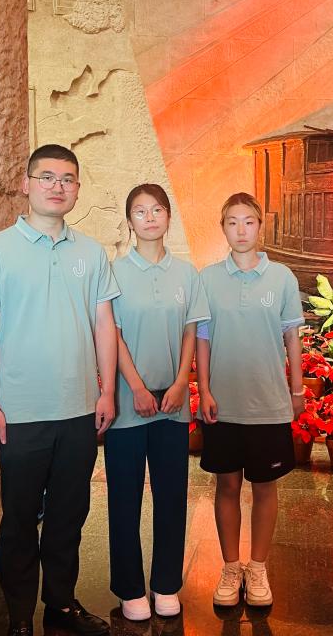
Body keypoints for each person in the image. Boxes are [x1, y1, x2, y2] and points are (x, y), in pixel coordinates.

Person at [0, 144, 118, 636]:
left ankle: (61, 605)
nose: (57, 186)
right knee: (18, 518)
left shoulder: (91, 253)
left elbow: (104, 325)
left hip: (78, 409)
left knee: (70, 515)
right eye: (47, 177)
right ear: (26, 184)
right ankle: (18, 616)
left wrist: (106, 392)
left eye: (67, 179)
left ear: (77, 189)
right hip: (20, 411)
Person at [105, 184, 209, 621]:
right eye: (140, 211)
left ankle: (166, 584)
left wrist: (183, 382)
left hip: (173, 403)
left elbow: (190, 331)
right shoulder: (113, 272)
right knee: (123, 499)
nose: (149, 218)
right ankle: (130, 589)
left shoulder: (186, 274)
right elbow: (111, 334)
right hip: (128, 404)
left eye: (157, 210)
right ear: (129, 221)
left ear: (169, 217)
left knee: (172, 496)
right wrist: (136, 387)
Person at [196, 192, 305, 608]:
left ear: (261, 226)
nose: (241, 230)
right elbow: (202, 340)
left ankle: (257, 568)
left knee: (264, 486)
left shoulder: (282, 277)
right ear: (222, 228)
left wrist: (297, 390)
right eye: (232, 222)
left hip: (268, 403)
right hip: (223, 404)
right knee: (226, 485)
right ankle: (230, 567)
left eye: (249, 222)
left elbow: (292, 338)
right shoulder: (208, 279)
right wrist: (204, 390)